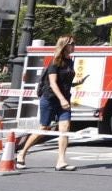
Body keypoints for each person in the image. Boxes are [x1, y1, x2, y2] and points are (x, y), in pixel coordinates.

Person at [17, 35, 77, 171]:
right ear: (64, 45)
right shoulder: (55, 61)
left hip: (64, 100)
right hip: (50, 99)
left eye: (74, 43)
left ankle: (61, 161)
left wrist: (76, 83)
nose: (74, 46)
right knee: (44, 129)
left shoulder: (70, 61)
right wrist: (62, 99)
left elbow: (64, 80)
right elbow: (53, 83)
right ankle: (22, 153)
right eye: (71, 44)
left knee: (65, 129)